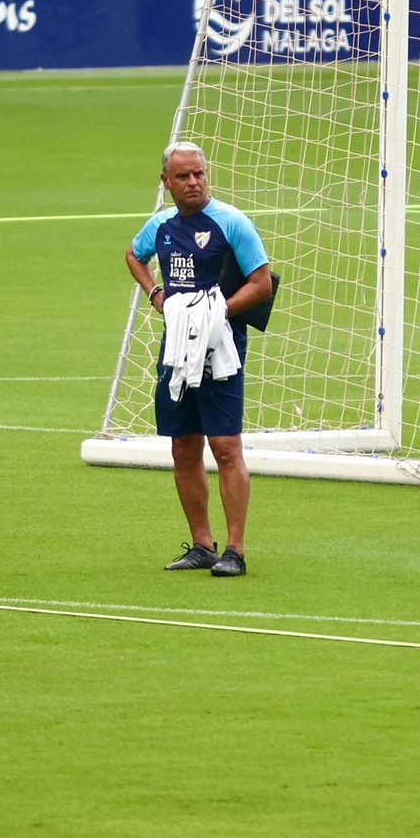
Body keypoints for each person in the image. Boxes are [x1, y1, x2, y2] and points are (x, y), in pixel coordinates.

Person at [125, 141, 273, 577]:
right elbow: (134, 254)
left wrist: (216, 313)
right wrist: (156, 294)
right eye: (184, 176)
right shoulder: (161, 225)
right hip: (176, 351)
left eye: (199, 174)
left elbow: (262, 283)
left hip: (221, 350)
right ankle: (203, 545)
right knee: (183, 445)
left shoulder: (232, 223)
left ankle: (236, 550)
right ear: (166, 182)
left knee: (225, 447)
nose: (193, 182)